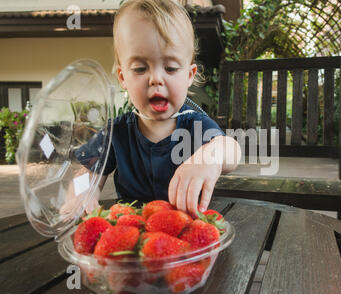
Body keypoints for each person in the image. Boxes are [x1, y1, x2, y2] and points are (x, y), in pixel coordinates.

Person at [71, 0, 241, 217]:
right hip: (131, 237)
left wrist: (211, 156)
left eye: (170, 68)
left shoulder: (195, 125)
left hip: (186, 232)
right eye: (140, 69)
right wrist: (81, 195)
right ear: (123, 77)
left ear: (189, 75)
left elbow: (231, 149)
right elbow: (87, 172)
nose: (156, 79)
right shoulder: (117, 133)